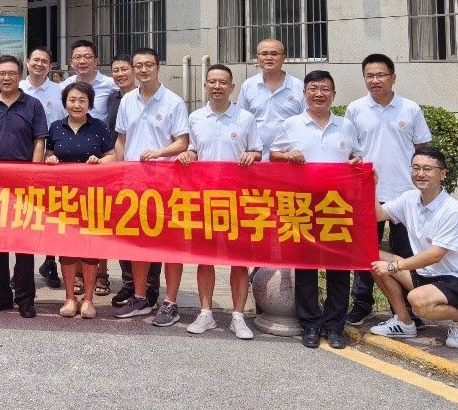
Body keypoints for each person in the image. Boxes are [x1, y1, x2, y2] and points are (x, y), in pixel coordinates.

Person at [157, 65, 259, 337]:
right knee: (205, 258)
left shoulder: (246, 118)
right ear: (205, 86)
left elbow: (257, 151)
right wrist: (187, 156)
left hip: (237, 198)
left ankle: (238, 316)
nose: (217, 87)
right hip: (204, 198)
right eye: (212, 82)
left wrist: (252, 155)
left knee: (239, 259)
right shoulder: (196, 117)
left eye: (223, 82)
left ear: (232, 87)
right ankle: (205, 313)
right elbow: (193, 150)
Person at [270, 69, 363, 350]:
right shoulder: (291, 124)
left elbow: (357, 156)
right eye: (313, 89)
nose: (319, 94)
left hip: (337, 206)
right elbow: (273, 155)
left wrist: (356, 163)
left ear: (333, 95)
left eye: (324, 89)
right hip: (303, 206)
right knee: (306, 267)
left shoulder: (346, 125)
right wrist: (287, 155)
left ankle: (335, 326)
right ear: (304, 94)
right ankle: (310, 324)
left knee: (339, 268)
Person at [345, 53, 433, 325]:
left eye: (381, 75)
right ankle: (362, 304)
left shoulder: (410, 109)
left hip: (405, 194)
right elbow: (348, 149)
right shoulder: (355, 109)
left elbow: (422, 149)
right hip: (367, 195)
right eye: (369, 76)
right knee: (365, 252)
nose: (375, 80)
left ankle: (408, 307)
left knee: (406, 253)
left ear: (393, 77)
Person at [369, 146, 458, 347]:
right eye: (416, 168)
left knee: (417, 301)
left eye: (428, 169)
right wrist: (371, 186)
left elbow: (435, 255)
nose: (420, 173)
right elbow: (378, 215)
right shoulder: (409, 199)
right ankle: (404, 323)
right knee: (372, 257)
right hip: (425, 276)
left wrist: (393, 266)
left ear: (443, 174)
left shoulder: (453, 210)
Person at [0, 55, 48, 318]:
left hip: (23, 183)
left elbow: (39, 141)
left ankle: (25, 299)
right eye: (2, 73)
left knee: (24, 243)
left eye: (12, 73)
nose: (6, 78)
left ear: (20, 76)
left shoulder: (33, 105)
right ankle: (0, 296)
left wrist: (34, 174)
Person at [117, 47, 190, 320]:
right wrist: (118, 171)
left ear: (158, 67)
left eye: (148, 65)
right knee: (139, 242)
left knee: (170, 243)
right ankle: (140, 298)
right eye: (138, 65)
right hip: (134, 181)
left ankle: (170, 302)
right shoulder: (127, 100)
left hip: (166, 182)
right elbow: (121, 139)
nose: (143, 70)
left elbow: (183, 142)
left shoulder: (173, 102)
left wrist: (159, 153)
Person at [44, 81, 115, 319]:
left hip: (92, 197)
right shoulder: (56, 127)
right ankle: (69, 298)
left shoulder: (99, 127)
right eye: (72, 100)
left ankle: (88, 300)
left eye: (82, 101)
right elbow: (49, 154)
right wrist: (50, 159)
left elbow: (112, 156)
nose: (77, 105)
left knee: (89, 247)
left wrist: (99, 161)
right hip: (63, 198)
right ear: (65, 103)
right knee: (66, 247)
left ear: (90, 104)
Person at [21, 46, 65, 290]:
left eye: (44, 61)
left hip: (52, 160)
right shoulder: (17, 88)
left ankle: (50, 262)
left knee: (52, 214)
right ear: (27, 62)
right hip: (21, 159)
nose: (39, 64)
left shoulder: (59, 91)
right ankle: (21, 267)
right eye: (35, 60)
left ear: (50, 65)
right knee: (23, 215)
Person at [238, 38, 305, 159]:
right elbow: (241, 121)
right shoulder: (248, 86)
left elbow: (305, 120)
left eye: (274, 54)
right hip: (255, 158)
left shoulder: (298, 86)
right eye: (264, 54)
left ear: (284, 57)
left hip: (289, 158)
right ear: (257, 58)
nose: (269, 58)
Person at [105, 52, 136, 305]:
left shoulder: (146, 98)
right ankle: (128, 283)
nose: (120, 74)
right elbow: (117, 137)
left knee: (145, 231)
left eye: (124, 69)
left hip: (145, 173)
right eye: (115, 70)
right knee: (122, 229)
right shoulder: (112, 98)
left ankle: (148, 286)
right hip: (118, 170)